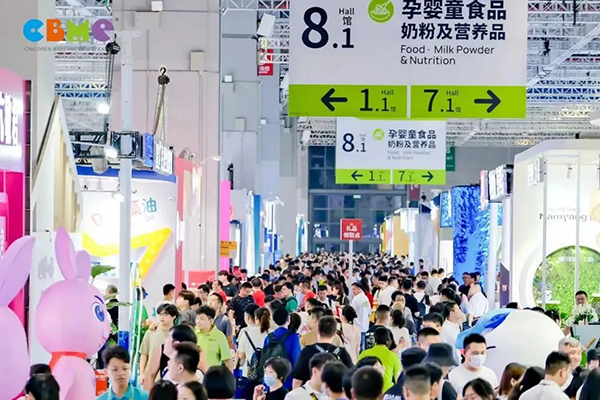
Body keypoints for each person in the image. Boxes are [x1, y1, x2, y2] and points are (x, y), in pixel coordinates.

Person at [293, 316, 354, 387]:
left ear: (317, 330)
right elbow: (352, 375)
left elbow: (297, 381)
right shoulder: (342, 353)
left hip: (312, 392)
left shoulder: (307, 351)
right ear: (335, 333)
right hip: (334, 392)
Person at [144, 324, 202, 390]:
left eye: (168, 337)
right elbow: (150, 375)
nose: (165, 340)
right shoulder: (169, 371)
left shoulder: (191, 378)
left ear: (176, 344)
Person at [262, 308, 302, 389]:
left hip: (270, 380)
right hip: (287, 380)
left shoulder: (269, 337)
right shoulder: (293, 337)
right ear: (288, 320)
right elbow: (296, 360)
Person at [140, 303, 179, 385]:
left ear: (174, 316)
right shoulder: (151, 332)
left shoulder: (178, 334)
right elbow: (144, 354)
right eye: (160, 314)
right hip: (151, 377)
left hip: (171, 378)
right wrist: (142, 373)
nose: (162, 317)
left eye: (165, 315)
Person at [357, 327, 400, 392]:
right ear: (388, 341)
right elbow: (398, 379)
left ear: (374, 340)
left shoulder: (364, 353)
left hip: (368, 390)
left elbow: (357, 371)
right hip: (387, 391)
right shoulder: (393, 356)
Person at [194, 305, 233, 370]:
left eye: (202, 319)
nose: (198, 321)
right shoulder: (192, 332)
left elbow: (228, 360)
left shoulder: (219, 336)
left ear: (211, 320)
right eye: (197, 318)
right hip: (194, 373)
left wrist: (229, 375)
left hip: (212, 374)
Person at [238, 305, 271, 378]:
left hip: (250, 372)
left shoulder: (246, 332)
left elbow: (241, 355)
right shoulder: (272, 333)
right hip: (268, 371)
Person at [351, 283, 372, 350]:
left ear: (359, 289)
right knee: (363, 345)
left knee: (358, 346)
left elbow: (351, 311)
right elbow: (369, 311)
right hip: (365, 325)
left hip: (357, 325)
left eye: (354, 289)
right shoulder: (365, 298)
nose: (353, 291)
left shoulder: (356, 299)